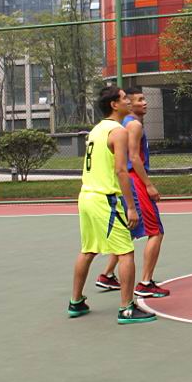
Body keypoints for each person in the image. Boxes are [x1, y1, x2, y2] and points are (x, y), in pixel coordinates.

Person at [67, 85, 156, 324]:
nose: (129, 101)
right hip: (106, 199)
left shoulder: (96, 130)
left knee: (88, 250)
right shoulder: (118, 131)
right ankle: (127, 308)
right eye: (124, 98)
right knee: (126, 252)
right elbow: (121, 170)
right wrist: (131, 207)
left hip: (87, 196)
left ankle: (76, 301)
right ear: (114, 105)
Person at [95, 87, 169, 298]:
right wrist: (149, 185)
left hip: (126, 181)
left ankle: (107, 274)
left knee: (129, 232)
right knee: (156, 231)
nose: (144, 103)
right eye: (139, 100)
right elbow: (134, 158)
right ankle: (145, 282)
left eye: (144, 99)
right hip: (135, 180)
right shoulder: (134, 125)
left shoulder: (121, 124)